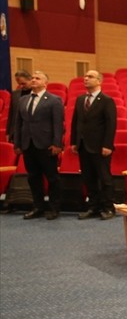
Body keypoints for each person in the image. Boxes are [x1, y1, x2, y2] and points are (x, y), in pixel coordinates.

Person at [14, 71, 64, 220]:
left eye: (38, 78)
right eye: (33, 78)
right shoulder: (23, 100)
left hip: (46, 144)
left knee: (52, 178)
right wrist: (17, 143)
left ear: (45, 83)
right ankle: (38, 206)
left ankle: (54, 208)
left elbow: (58, 124)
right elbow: (18, 123)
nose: (34, 80)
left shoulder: (54, 100)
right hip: (27, 144)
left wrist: (57, 144)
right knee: (33, 177)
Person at [71, 70, 117, 220]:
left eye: (90, 77)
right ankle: (93, 207)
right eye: (85, 76)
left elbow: (111, 124)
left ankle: (108, 208)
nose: (86, 79)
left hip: (100, 146)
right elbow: (76, 122)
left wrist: (108, 145)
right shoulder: (80, 99)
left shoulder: (106, 100)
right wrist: (74, 142)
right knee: (88, 178)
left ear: (99, 81)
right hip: (83, 145)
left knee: (104, 178)